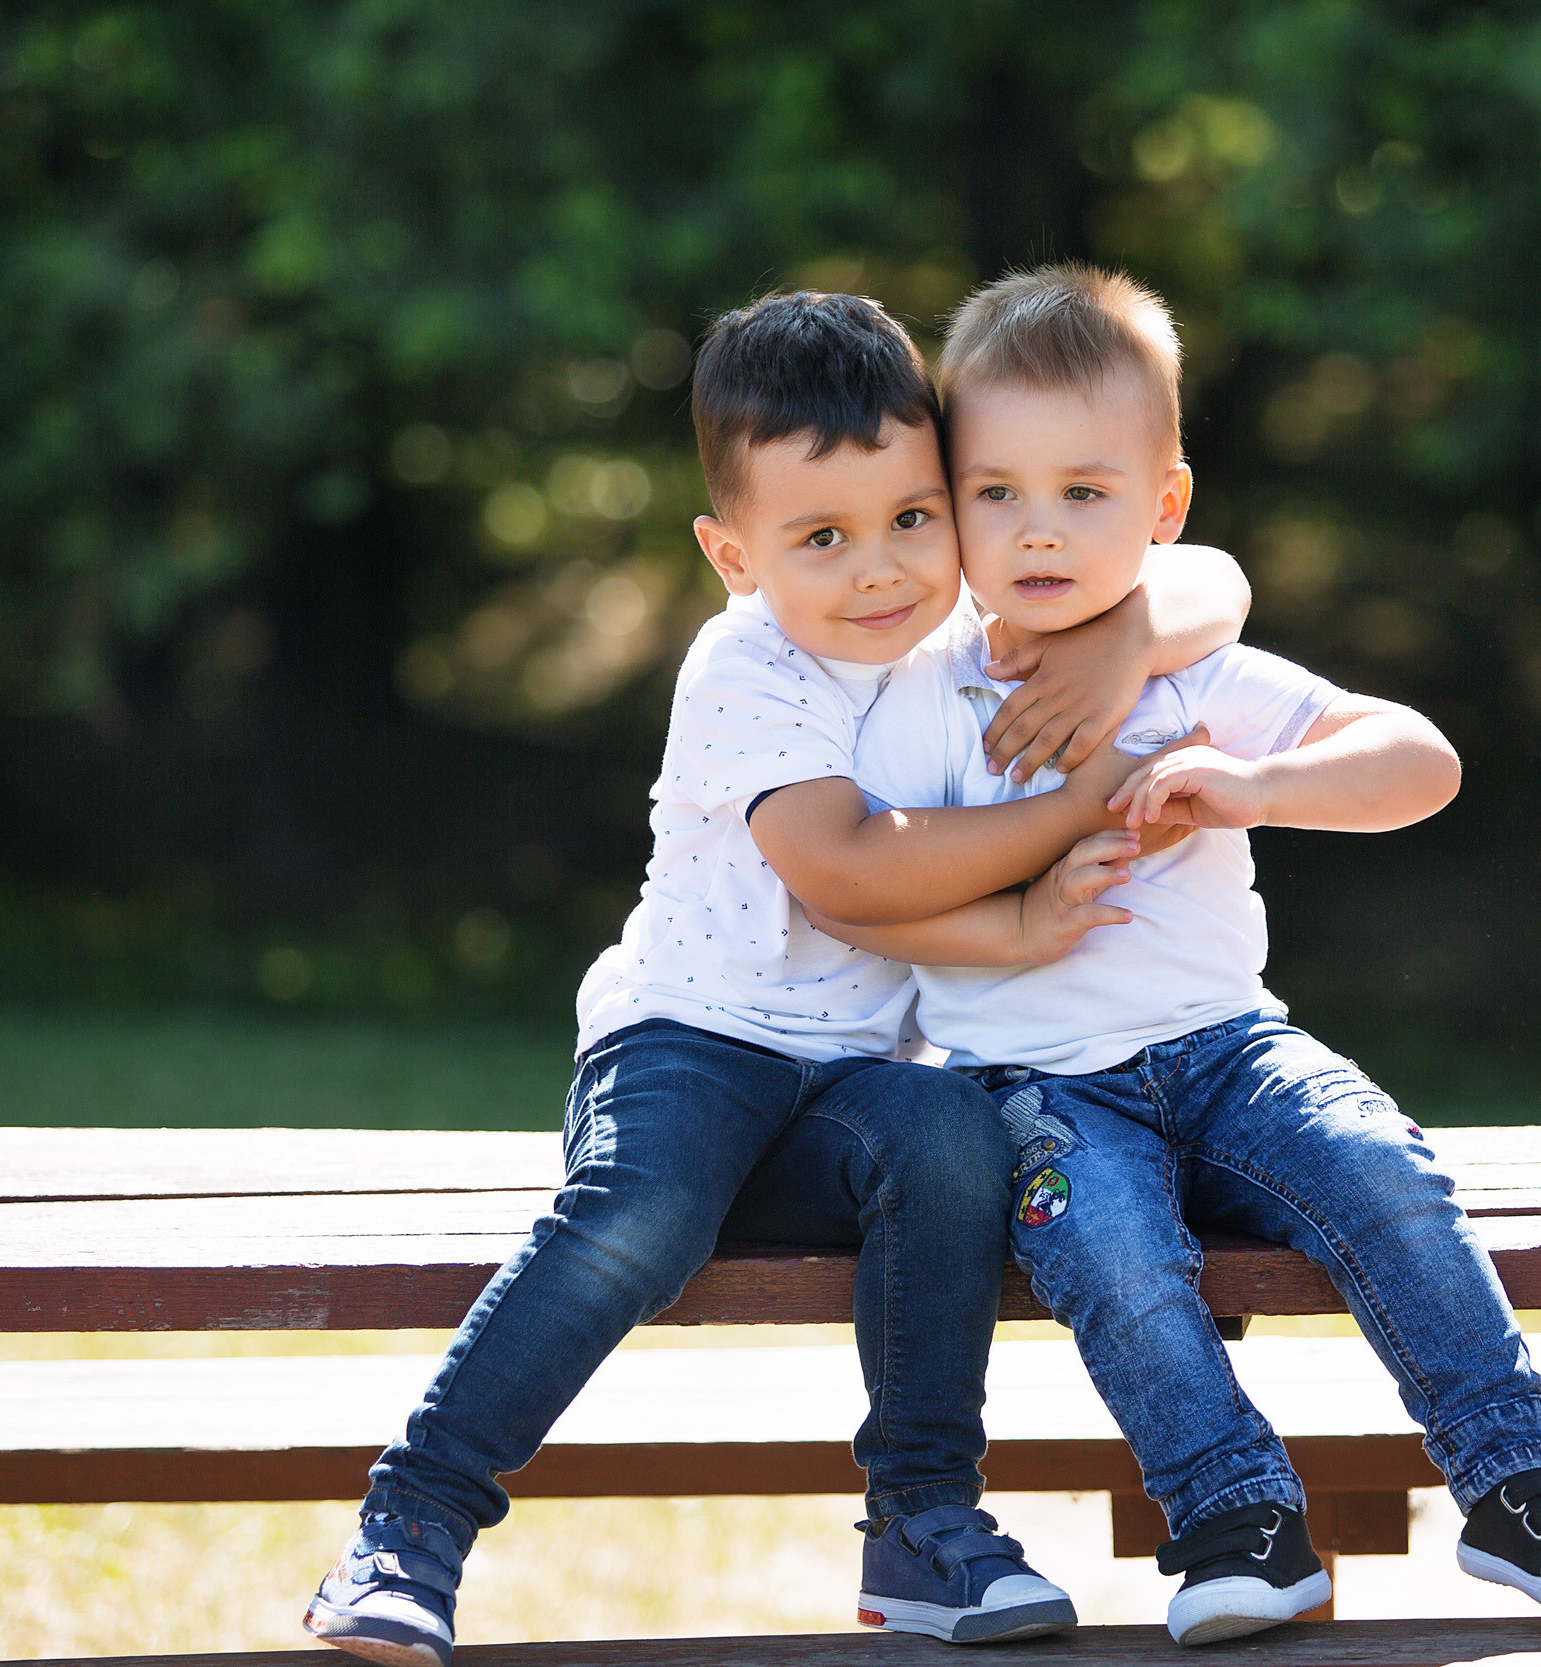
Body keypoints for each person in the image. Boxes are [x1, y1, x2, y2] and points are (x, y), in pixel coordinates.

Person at [302, 288, 1252, 1667]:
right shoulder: (747, 671)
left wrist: (1122, 639)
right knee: (645, 1213)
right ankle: (413, 1526)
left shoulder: (968, 630)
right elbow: (853, 870)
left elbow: (1210, 576)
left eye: (914, 519)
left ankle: (922, 1526)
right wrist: (1081, 800)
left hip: (854, 1081)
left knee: (946, 1143)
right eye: (822, 537)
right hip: (688, 1043)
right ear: (730, 554)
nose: (880, 570)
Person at [831, 265, 1541, 1647]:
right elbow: (869, 886)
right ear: (949, 501)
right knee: (1112, 1253)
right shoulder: (921, 696)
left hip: (1230, 1046)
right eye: (998, 494)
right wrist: (1029, 877)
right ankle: (1237, 1516)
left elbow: (1421, 762)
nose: (1039, 532)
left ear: (1164, 510)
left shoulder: (1193, 675)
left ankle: (1519, 1488)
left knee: (1383, 1173)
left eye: (1085, 495)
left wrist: (1252, 784)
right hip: (1031, 1084)